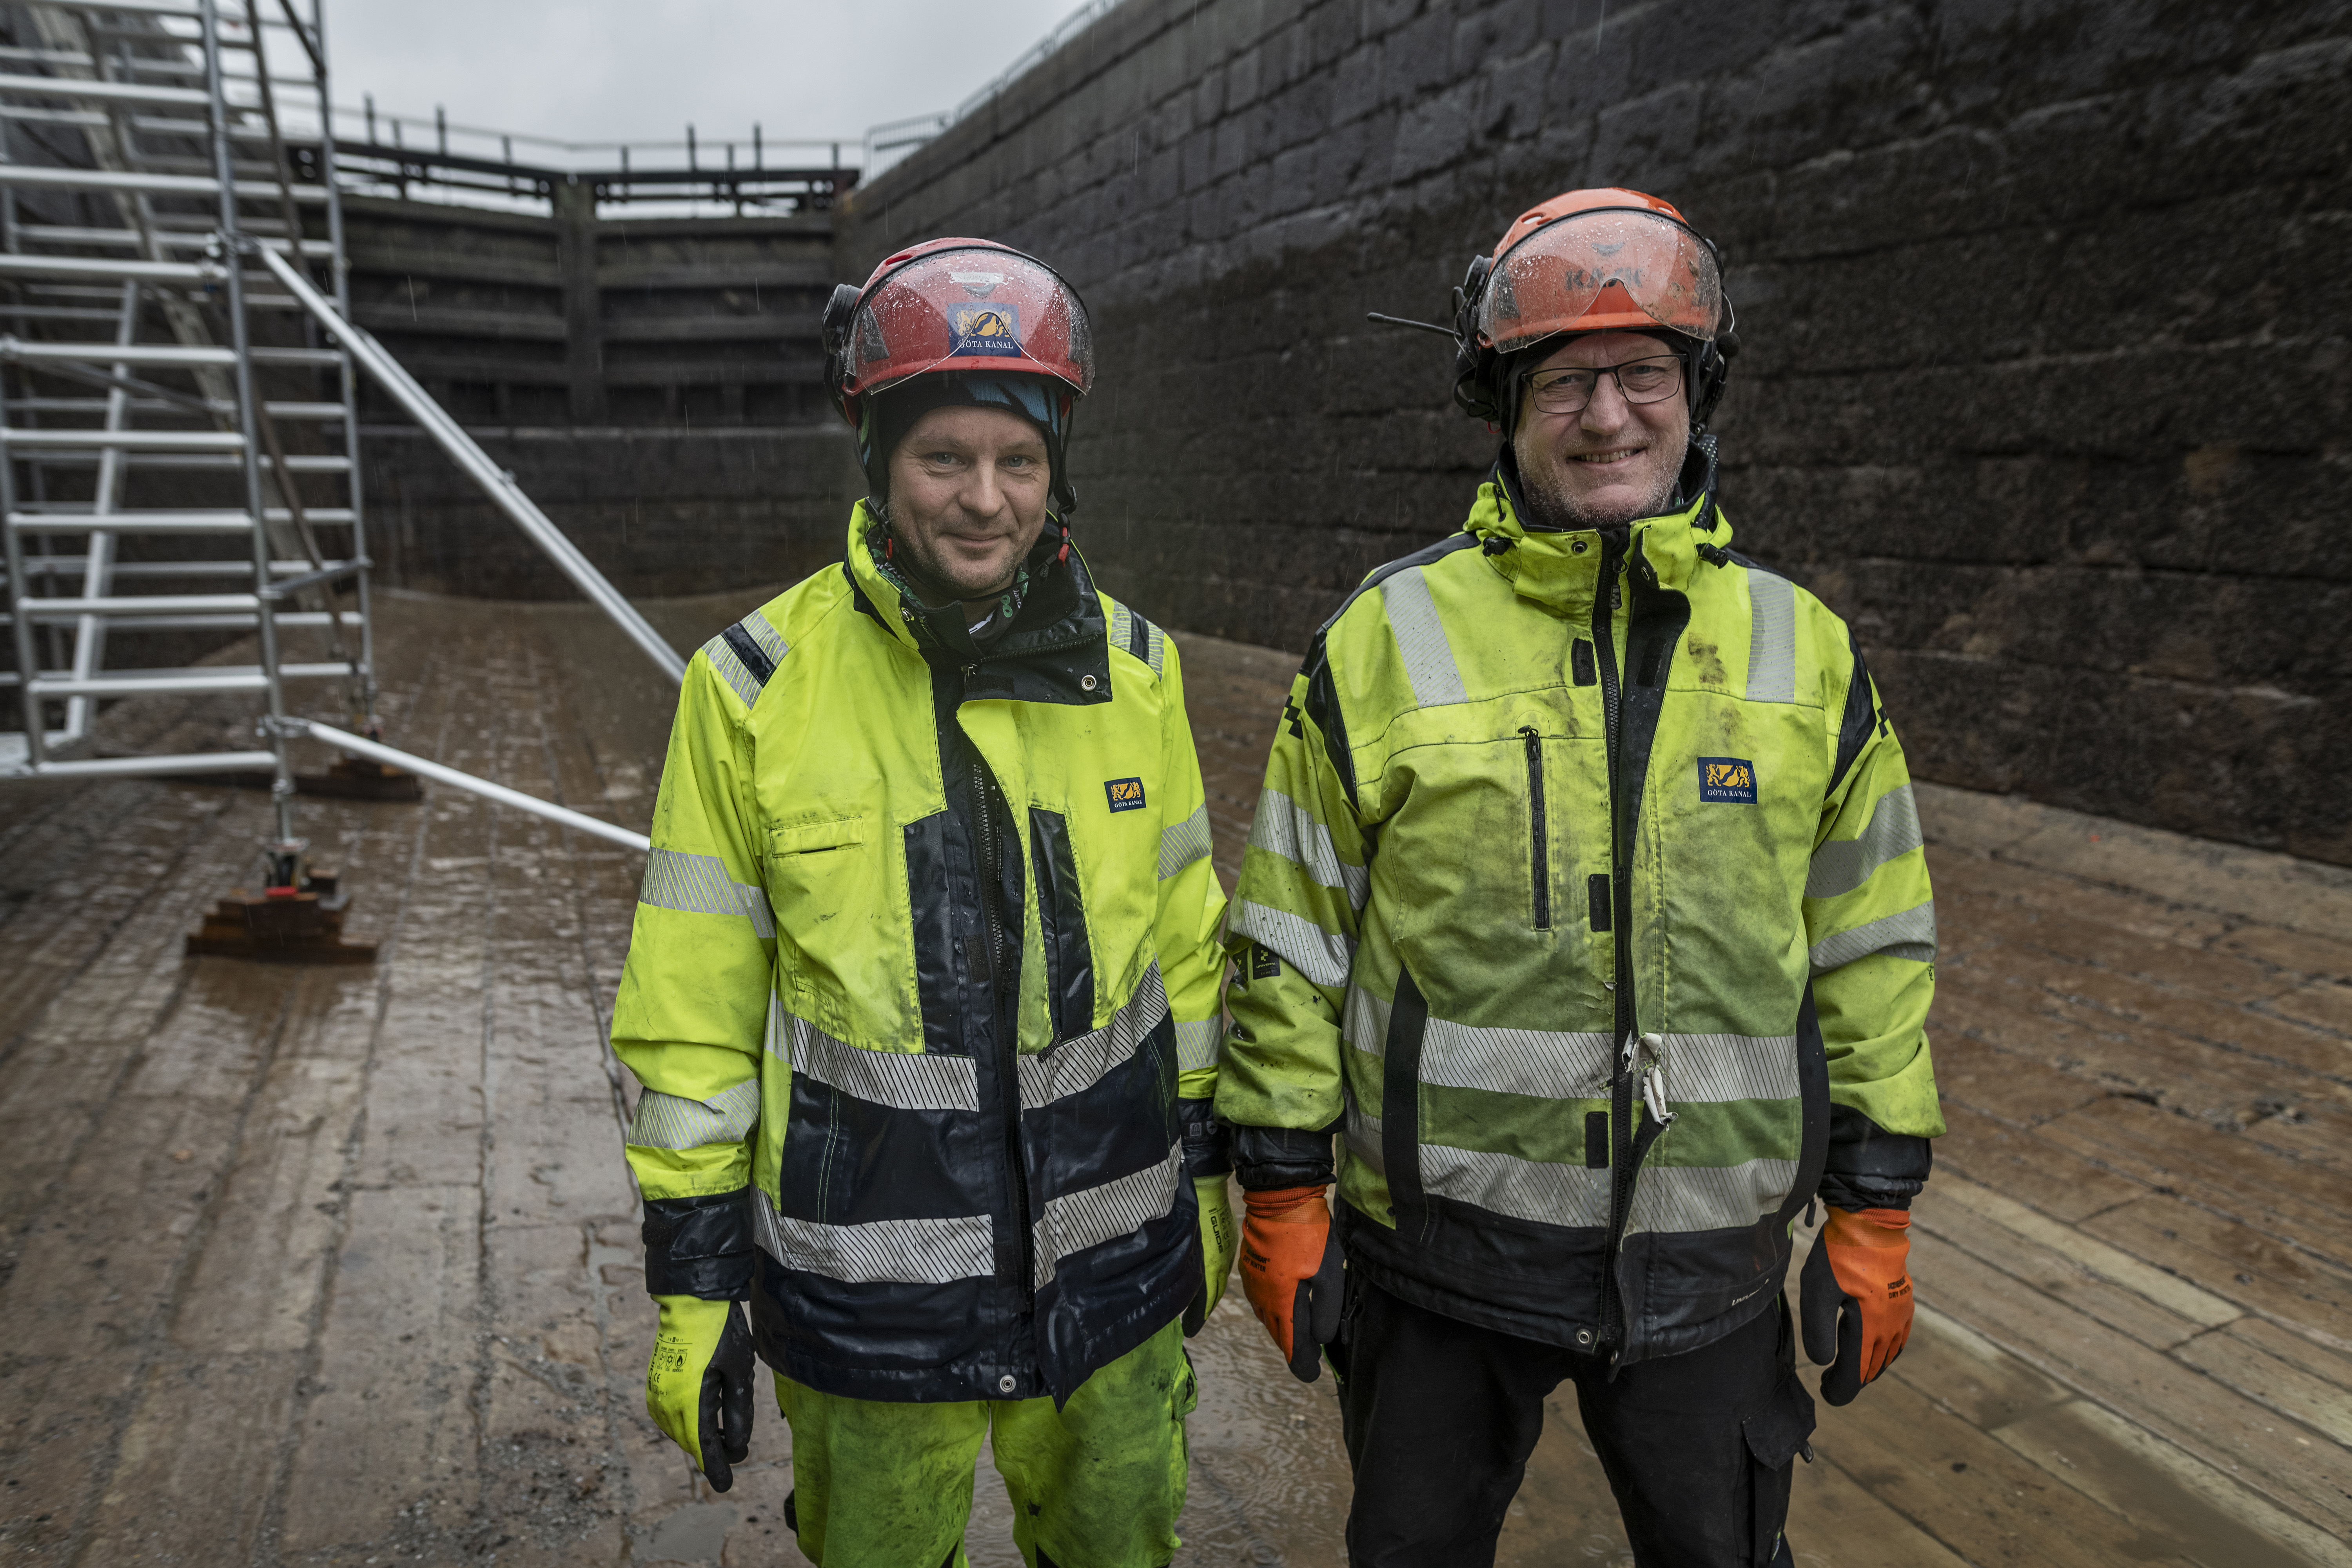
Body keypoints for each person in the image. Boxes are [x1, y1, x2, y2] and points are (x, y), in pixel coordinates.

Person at [1215, 189, 1942, 1566]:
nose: (1609, 416)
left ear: (1698, 388)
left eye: (1643, 374)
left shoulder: (1809, 656)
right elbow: (1293, 940)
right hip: (1440, 1268)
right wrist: (1283, 1184)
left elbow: (1876, 948)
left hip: (1711, 1272)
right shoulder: (1384, 641)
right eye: (1566, 380)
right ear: (1503, 405)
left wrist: (1877, 1203)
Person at [609, 237, 1234, 1568]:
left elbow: (1185, 944)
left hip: (1108, 1285)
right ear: (878, 461)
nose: (984, 500)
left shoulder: (1140, 672)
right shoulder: (750, 689)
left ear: (1059, 466)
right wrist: (695, 1277)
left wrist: (1215, 1175)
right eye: (943, 458)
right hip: (869, 1308)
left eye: (1017, 461)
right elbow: (693, 1013)